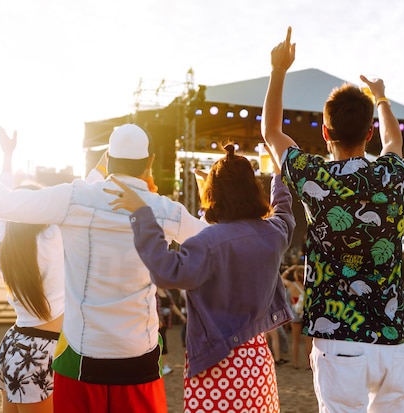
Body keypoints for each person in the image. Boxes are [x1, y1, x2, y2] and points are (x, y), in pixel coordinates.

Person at [0, 116, 208, 413]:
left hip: (79, 356)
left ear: (110, 158)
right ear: (149, 161)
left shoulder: (73, 200)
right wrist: (209, 200)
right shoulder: (167, 210)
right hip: (138, 353)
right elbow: (214, 240)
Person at [262, 27, 404, 412]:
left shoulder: (315, 175)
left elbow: (271, 132)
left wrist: (279, 70)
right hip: (393, 341)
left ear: (325, 132)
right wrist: (381, 97)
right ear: (369, 133)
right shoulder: (390, 175)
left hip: (338, 338)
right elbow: (394, 141)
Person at [105, 142, 295, 413]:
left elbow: (166, 271)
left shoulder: (206, 242)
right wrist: (278, 175)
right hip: (257, 361)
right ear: (253, 188)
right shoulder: (273, 233)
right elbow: (284, 211)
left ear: (213, 193)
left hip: (216, 364)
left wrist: (142, 214)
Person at [0, 127, 64, 413]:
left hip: (14, 344)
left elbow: (1, 205)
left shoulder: (4, 244)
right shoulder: (51, 240)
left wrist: (7, 157)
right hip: (41, 351)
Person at [281, 264, 312, 369]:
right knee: (308, 341)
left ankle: (296, 363)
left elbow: (281, 279)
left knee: (295, 340)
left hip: (295, 312)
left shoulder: (292, 285)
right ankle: (309, 363)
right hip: (306, 313)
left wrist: (290, 269)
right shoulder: (308, 285)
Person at [156, 287, 186, 376]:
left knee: (163, 343)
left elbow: (172, 305)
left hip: (165, 323)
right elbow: (150, 306)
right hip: (156, 324)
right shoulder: (152, 292)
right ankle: (162, 366)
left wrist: (181, 316)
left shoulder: (166, 292)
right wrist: (157, 319)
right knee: (161, 343)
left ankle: (162, 366)